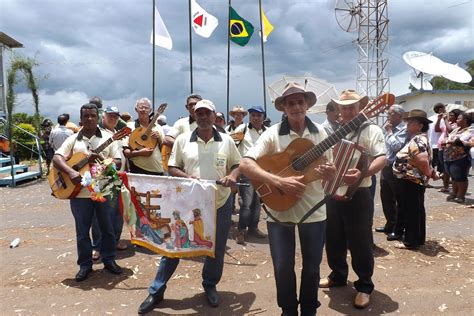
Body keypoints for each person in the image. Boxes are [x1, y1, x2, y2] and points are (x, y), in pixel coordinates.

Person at [240, 83, 335, 316]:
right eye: (290, 103)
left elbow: (327, 169)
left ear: (307, 105)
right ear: (283, 108)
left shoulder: (320, 134)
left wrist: (329, 173)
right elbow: (245, 164)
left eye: (300, 102)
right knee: (283, 266)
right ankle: (288, 310)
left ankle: (310, 309)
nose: (296, 107)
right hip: (279, 209)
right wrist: (278, 182)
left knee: (312, 267)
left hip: (313, 208)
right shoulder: (272, 135)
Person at [138, 99, 240, 314]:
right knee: (175, 246)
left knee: (216, 248)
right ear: (195, 116)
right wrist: (187, 176)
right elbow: (173, 167)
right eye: (199, 113)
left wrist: (232, 176)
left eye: (207, 113)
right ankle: (156, 291)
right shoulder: (183, 140)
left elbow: (237, 164)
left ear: (214, 116)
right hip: (187, 203)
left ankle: (210, 285)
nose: (203, 117)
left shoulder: (227, 140)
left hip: (219, 203)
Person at [319, 89, 387, 310]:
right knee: (333, 237)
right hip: (332, 192)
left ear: (360, 108)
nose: (347, 110)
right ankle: (338, 275)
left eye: (351, 106)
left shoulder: (371, 130)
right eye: (343, 107)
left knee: (360, 241)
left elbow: (382, 158)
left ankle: (364, 286)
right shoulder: (333, 132)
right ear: (338, 109)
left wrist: (363, 173)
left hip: (358, 193)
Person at [52, 103, 123, 282]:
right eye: (86, 116)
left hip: (104, 191)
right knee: (82, 231)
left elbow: (118, 163)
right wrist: (71, 172)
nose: (90, 119)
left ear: (98, 117)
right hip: (79, 194)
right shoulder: (73, 140)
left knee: (107, 229)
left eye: (93, 115)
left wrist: (100, 159)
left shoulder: (110, 137)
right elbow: (57, 158)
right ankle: (85, 265)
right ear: (81, 118)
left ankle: (109, 260)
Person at [392, 109, 438, 249]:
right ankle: (417, 238)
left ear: (419, 125)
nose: (407, 124)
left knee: (412, 211)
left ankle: (411, 241)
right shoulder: (420, 139)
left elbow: (422, 161)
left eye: (410, 122)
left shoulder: (418, 140)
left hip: (412, 181)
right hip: (414, 181)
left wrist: (429, 173)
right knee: (416, 210)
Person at [91, 106, 127, 261]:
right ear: (103, 116)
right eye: (110, 116)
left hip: (120, 178)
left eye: (115, 116)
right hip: (102, 180)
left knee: (118, 213)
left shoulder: (121, 134)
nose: (113, 118)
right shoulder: (97, 134)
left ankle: (114, 242)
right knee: (100, 215)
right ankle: (97, 247)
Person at [234, 105, 267, 245]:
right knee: (246, 203)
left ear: (263, 117)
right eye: (253, 115)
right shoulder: (242, 129)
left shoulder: (267, 132)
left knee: (257, 203)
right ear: (249, 117)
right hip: (246, 171)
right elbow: (232, 145)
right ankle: (241, 230)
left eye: (259, 115)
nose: (256, 118)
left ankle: (253, 228)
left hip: (262, 172)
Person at [375, 105, 407, 239]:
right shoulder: (388, 128)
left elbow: (397, 146)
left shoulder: (403, 129)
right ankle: (390, 223)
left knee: (397, 198)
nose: (388, 115)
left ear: (399, 116)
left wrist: (389, 132)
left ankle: (399, 228)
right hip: (385, 167)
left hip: (396, 168)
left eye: (391, 113)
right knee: (386, 198)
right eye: (388, 113)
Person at [123, 98, 164, 175]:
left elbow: (164, 150)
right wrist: (139, 152)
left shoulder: (158, 127)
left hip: (158, 170)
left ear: (150, 110)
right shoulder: (129, 126)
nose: (143, 110)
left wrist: (158, 139)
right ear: (136, 109)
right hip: (138, 170)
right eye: (141, 107)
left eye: (146, 107)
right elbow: (126, 152)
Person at [442, 112, 473, 204]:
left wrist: (448, 141)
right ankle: (454, 193)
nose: (456, 120)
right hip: (449, 157)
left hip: (460, 157)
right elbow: (449, 138)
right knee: (454, 177)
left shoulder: (470, 130)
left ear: (466, 121)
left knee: (460, 177)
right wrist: (446, 141)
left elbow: (460, 141)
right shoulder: (456, 129)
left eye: (459, 119)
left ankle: (461, 196)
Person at [436, 109, 461, 193]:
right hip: (442, 148)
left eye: (451, 115)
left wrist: (445, 119)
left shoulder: (457, 125)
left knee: (449, 170)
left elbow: (450, 130)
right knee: (445, 169)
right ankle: (445, 186)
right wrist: (439, 119)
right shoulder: (448, 123)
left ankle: (455, 189)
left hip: (449, 149)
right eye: (449, 115)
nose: (449, 117)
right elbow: (437, 129)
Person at [428, 103, 446, 173]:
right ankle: (443, 179)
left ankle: (426, 180)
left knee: (431, 163)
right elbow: (441, 130)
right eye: (444, 108)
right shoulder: (442, 119)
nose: (445, 110)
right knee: (440, 164)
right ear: (440, 109)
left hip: (430, 144)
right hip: (439, 144)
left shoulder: (429, 118)